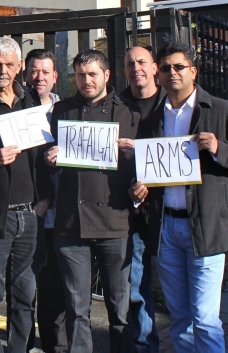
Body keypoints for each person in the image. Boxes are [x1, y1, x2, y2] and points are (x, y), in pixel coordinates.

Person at [131, 42, 228, 353]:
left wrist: (220, 148)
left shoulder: (222, 110)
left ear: (193, 71)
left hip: (205, 228)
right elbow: (149, 171)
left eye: (178, 66)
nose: (172, 72)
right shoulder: (153, 120)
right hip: (167, 230)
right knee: (179, 316)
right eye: (165, 68)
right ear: (158, 74)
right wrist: (140, 188)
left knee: (205, 318)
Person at [43, 50, 140, 353]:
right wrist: (50, 158)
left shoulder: (128, 111)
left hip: (115, 221)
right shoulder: (62, 110)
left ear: (107, 75)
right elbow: (49, 158)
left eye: (93, 74)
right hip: (72, 222)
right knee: (76, 308)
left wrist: (136, 159)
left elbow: (144, 166)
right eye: (81, 75)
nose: (86, 81)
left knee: (119, 309)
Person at [0, 38, 51, 353]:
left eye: (9, 65)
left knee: (25, 293)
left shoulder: (31, 100)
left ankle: (21, 348)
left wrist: (46, 198)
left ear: (19, 68)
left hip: (30, 214)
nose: (2, 71)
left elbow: (43, 155)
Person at [119, 46, 165, 353]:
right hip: (131, 213)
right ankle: (143, 348)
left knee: (180, 296)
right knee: (137, 290)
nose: (136, 68)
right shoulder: (116, 105)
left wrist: (141, 150)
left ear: (154, 68)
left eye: (142, 62)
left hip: (170, 213)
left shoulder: (172, 103)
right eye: (130, 63)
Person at [22, 49, 66, 353]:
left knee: (55, 292)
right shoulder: (17, 111)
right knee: (23, 291)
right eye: (34, 71)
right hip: (27, 213)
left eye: (45, 72)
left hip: (62, 218)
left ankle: (56, 347)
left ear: (55, 77)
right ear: (26, 74)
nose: (39, 77)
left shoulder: (70, 112)